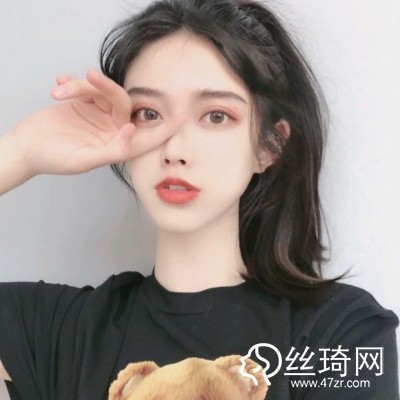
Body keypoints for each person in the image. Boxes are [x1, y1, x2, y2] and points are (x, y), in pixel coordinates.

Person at [0, 0, 398, 399]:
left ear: (270, 145)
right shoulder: (63, 332)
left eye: (216, 116)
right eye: (149, 113)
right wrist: (21, 152)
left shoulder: (342, 332)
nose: (175, 150)